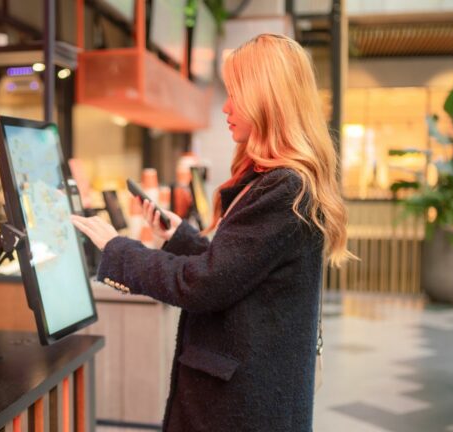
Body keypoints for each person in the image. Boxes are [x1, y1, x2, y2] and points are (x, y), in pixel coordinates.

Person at [71, 33, 351, 431]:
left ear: (267, 99)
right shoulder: (279, 183)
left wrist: (118, 249)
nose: (226, 107)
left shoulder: (284, 188)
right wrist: (180, 236)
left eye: (236, 94)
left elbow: (204, 284)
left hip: (239, 407)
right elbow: (241, 269)